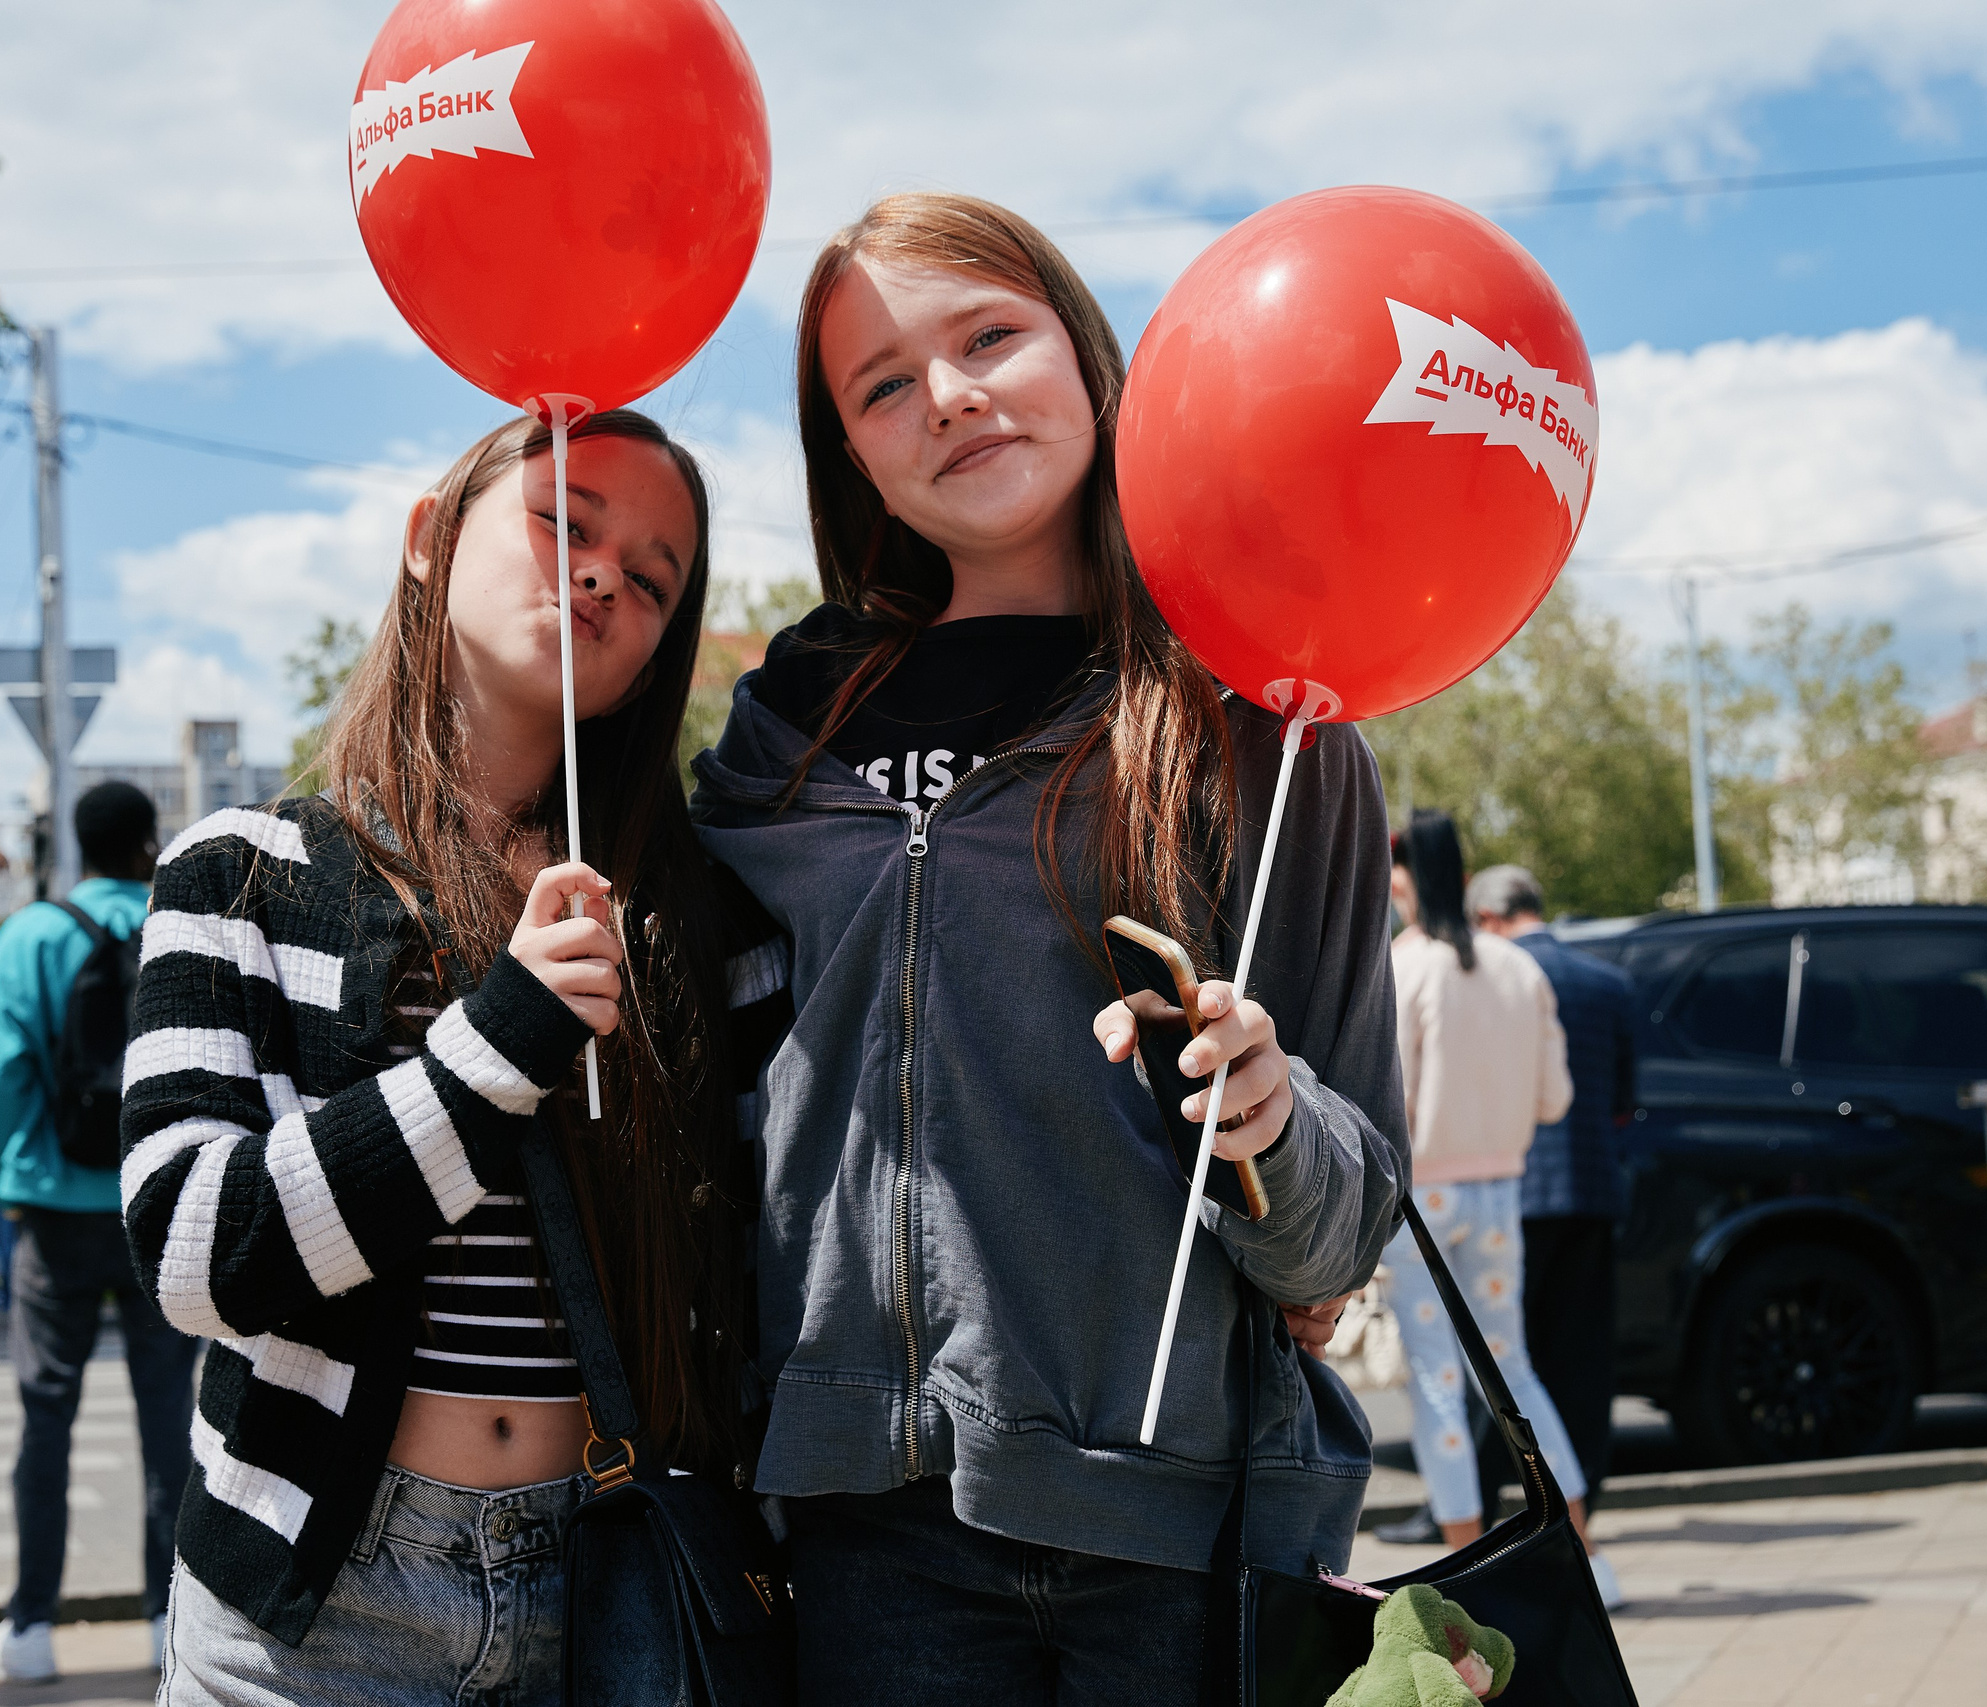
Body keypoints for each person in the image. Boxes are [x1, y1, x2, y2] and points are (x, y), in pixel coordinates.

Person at [687, 193, 1407, 1702]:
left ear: (1085, 351)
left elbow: (1338, 1239)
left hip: (1184, 1525)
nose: (948, 397)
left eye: (988, 336)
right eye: (884, 383)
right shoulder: (781, 741)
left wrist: (1273, 1120)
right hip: (868, 1521)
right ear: (852, 454)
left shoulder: (1257, 716)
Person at [130, 409, 770, 1706]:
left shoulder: (705, 922)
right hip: (314, 1609)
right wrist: (496, 1046)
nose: (602, 575)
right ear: (429, 538)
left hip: (613, 1579)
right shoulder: (245, 872)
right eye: (562, 522)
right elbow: (197, 1252)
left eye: (653, 579)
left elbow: (771, 1263)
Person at [0, 781, 198, 1682]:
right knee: (167, 1416)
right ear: (146, 845)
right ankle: (166, 1617)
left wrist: (4, 1178)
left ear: (76, 844)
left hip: (54, 1209)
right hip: (159, 1208)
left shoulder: (32, 935)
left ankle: (30, 1626)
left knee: (45, 1414)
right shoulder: (181, 924)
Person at [1383, 813, 1618, 1609]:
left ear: (1404, 879)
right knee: (1514, 1368)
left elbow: (1390, 1099)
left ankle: (1462, 1573)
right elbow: (1555, 1098)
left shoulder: (1405, 966)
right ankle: (1584, 1555)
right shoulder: (1519, 968)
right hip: (1499, 1189)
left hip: (1424, 1197)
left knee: (1437, 1378)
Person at [1468, 863, 1636, 1510]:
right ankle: (1581, 1497)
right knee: (1583, 1358)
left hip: (1509, 1187)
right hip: (1591, 1190)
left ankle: (1475, 1499)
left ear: (1488, 918)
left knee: (1497, 1352)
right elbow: (1624, 1100)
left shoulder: (1491, 977)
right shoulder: (1608, 982)